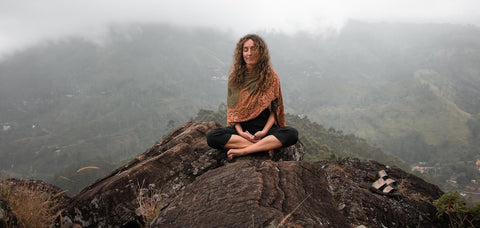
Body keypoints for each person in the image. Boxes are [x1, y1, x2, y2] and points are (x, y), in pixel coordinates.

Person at [206, 34, 298, 160]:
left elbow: (275, 110)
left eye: (253, 49)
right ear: (241, 53)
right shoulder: (235, 78)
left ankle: (245, 151)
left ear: (261, 52)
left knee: (292, 134)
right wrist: (242, 133)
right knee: (212, 137)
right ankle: (263, 148)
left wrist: (264, 132)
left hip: (264, 129)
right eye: (245, 50)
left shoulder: (271, 77)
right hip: (242, 130)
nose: (249, 53)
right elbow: (233, 112)